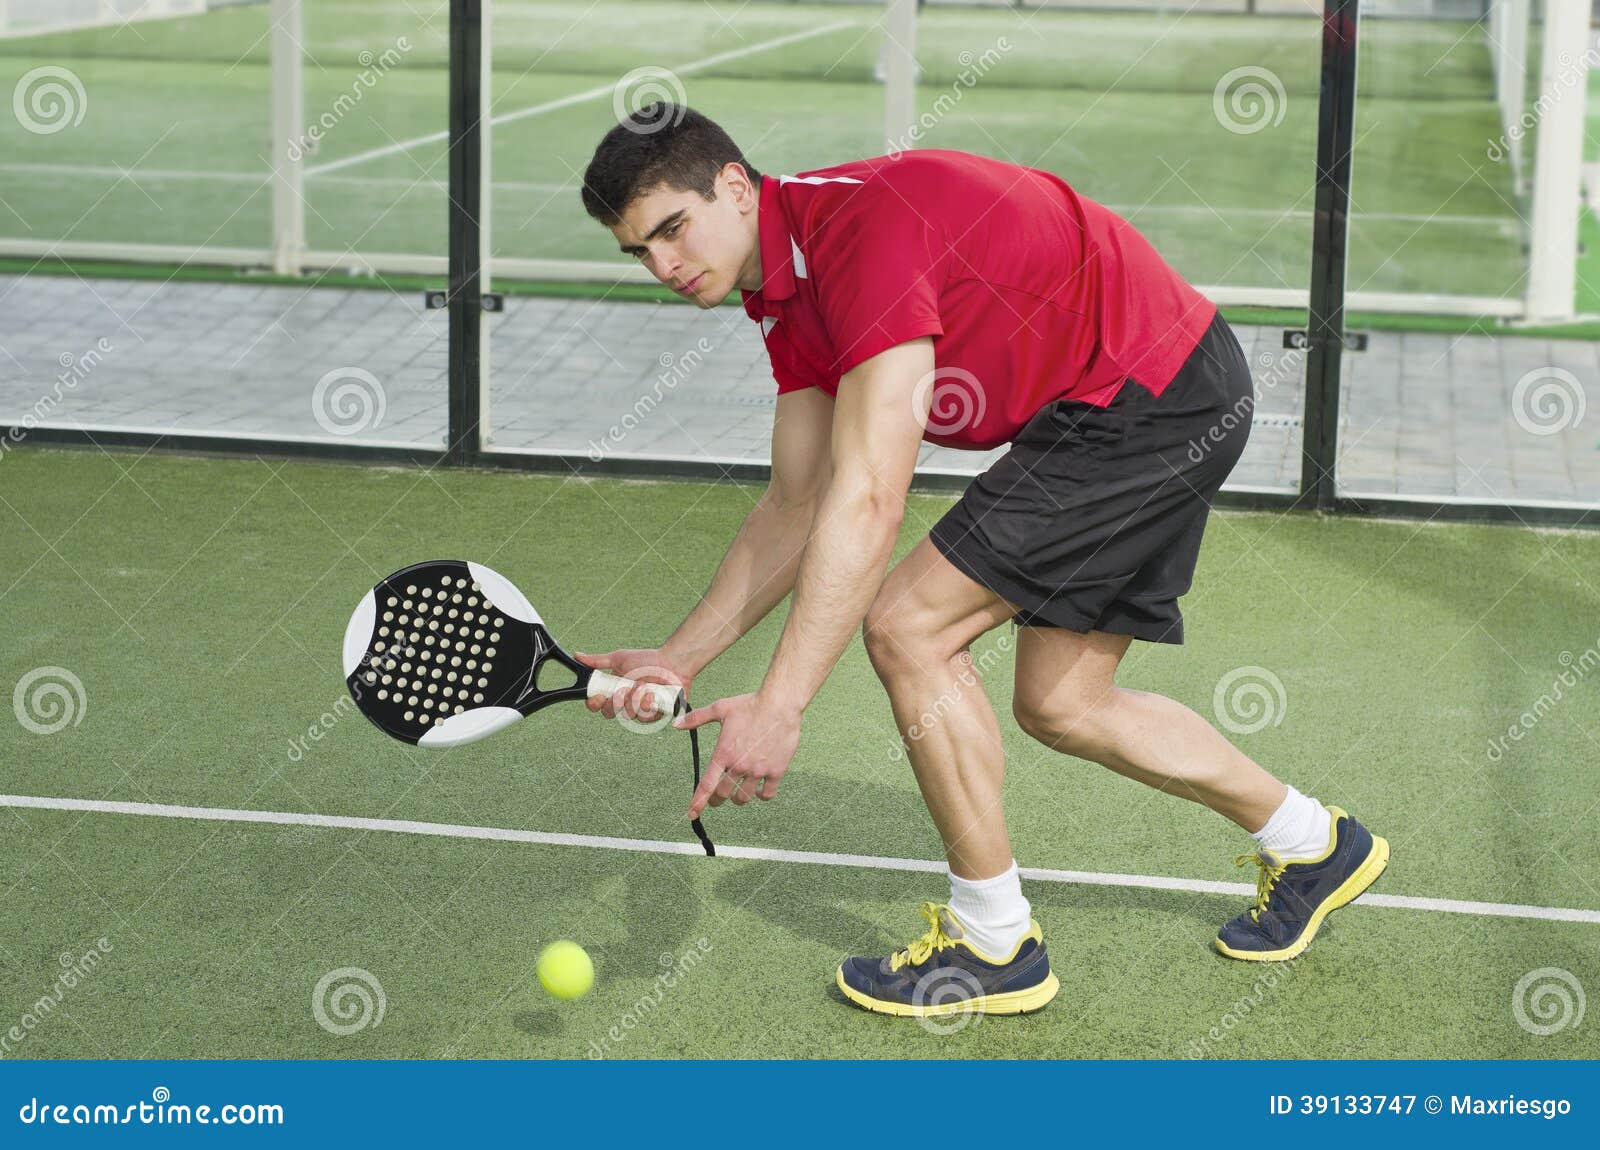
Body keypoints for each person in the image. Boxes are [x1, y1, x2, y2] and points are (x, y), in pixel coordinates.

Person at [575, 102, 1389, 1019]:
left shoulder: (859, 235)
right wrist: (680, 658)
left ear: (733, 185)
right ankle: (1314, 842)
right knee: (1063, 703)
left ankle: (994, 942)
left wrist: (781, 705)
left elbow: (870, 497)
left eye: (672, 230)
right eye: (639, 252)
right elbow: (796, 504)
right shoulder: (783, 294)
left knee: (907, 628)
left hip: (1146, 394)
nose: (664, 266)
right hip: (1144, 390)